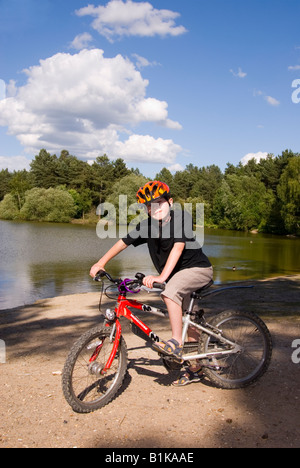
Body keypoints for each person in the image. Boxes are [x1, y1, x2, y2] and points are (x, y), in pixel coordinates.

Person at [90, 181, 213, 386]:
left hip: (197, 270)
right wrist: (101, 262)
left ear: (170, 202)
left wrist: (162, 278)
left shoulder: (181, 218)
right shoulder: (147, 225)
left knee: (169, 293)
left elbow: (178, 249)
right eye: (149, 205)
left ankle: (175, 342)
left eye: (159, 202)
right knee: (189, 321)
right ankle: (196, 368)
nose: (153, 208)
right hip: (175, 276)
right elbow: (123, 242)